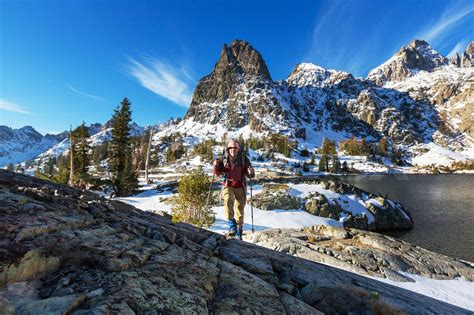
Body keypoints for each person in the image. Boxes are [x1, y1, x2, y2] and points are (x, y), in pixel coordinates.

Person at [213, 139, 255, 239]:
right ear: (228, 149)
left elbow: (250, 175)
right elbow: (218, 173)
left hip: (240, 185)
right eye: (231, 148)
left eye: (235, 148)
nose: (233, 150)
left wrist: (251, 172)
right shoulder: (224, 158)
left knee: (240, 209)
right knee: (228, 199)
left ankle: (239, 231)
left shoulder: (244, 159)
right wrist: (216, 166)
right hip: (228, 184)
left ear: (238, 149)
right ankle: (232, 224)